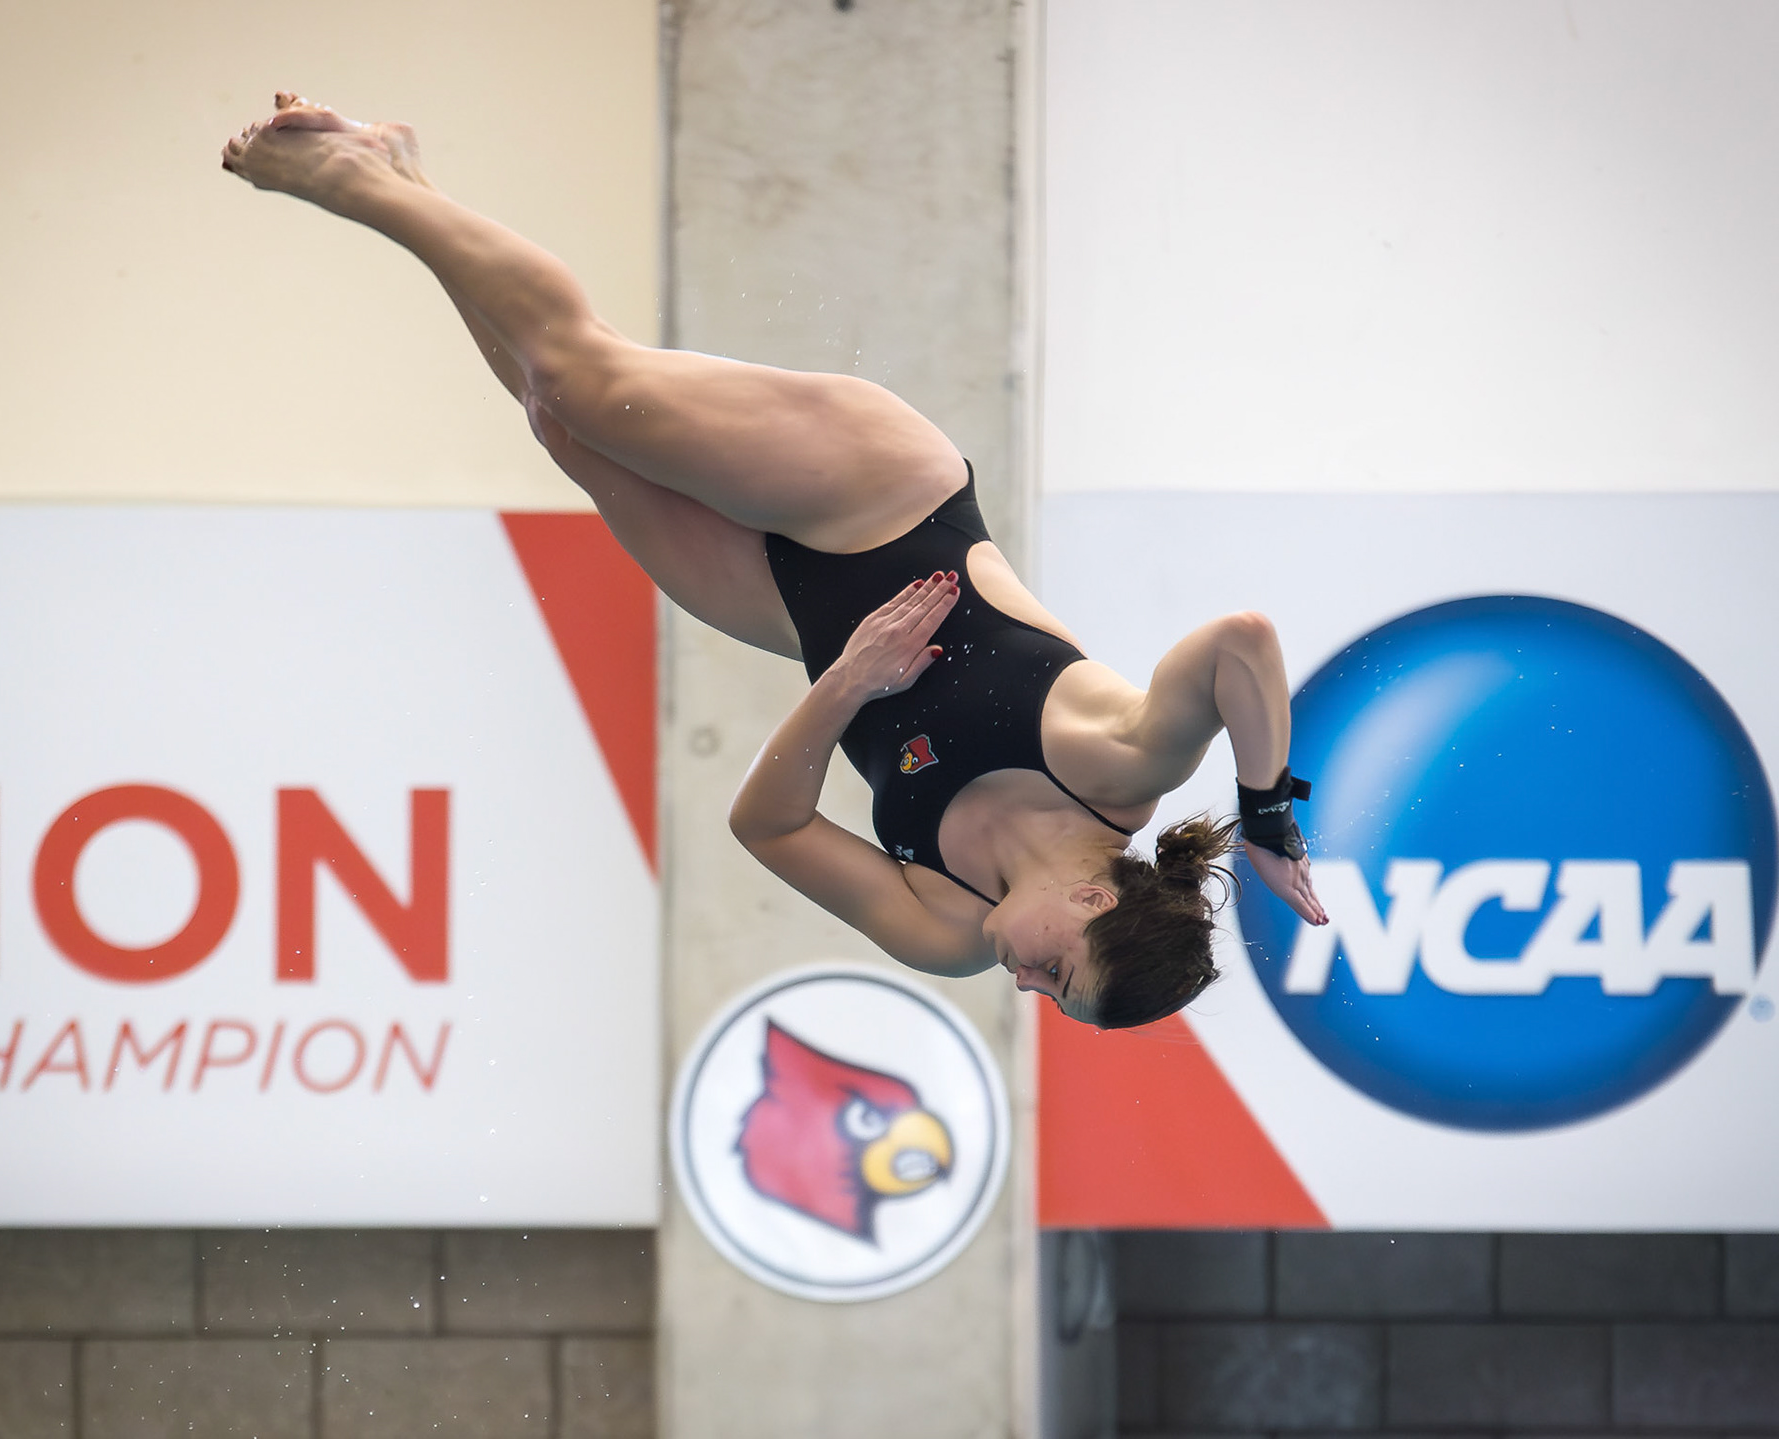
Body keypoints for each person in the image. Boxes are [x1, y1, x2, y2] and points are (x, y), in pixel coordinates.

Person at [221, 94, 1327, 1029]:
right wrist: (1268, 815)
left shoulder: (947, 928)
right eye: (1057, 970)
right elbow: (1245, 643)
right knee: (584, 385)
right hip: (883, 498)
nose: (1023, 982)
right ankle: (361, 182)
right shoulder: (1122, 767)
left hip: (799, 618)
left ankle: (404, 180)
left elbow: (769, 826)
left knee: (556, 429)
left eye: (1048, 998)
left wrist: (848, 681)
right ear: (1095, 896)